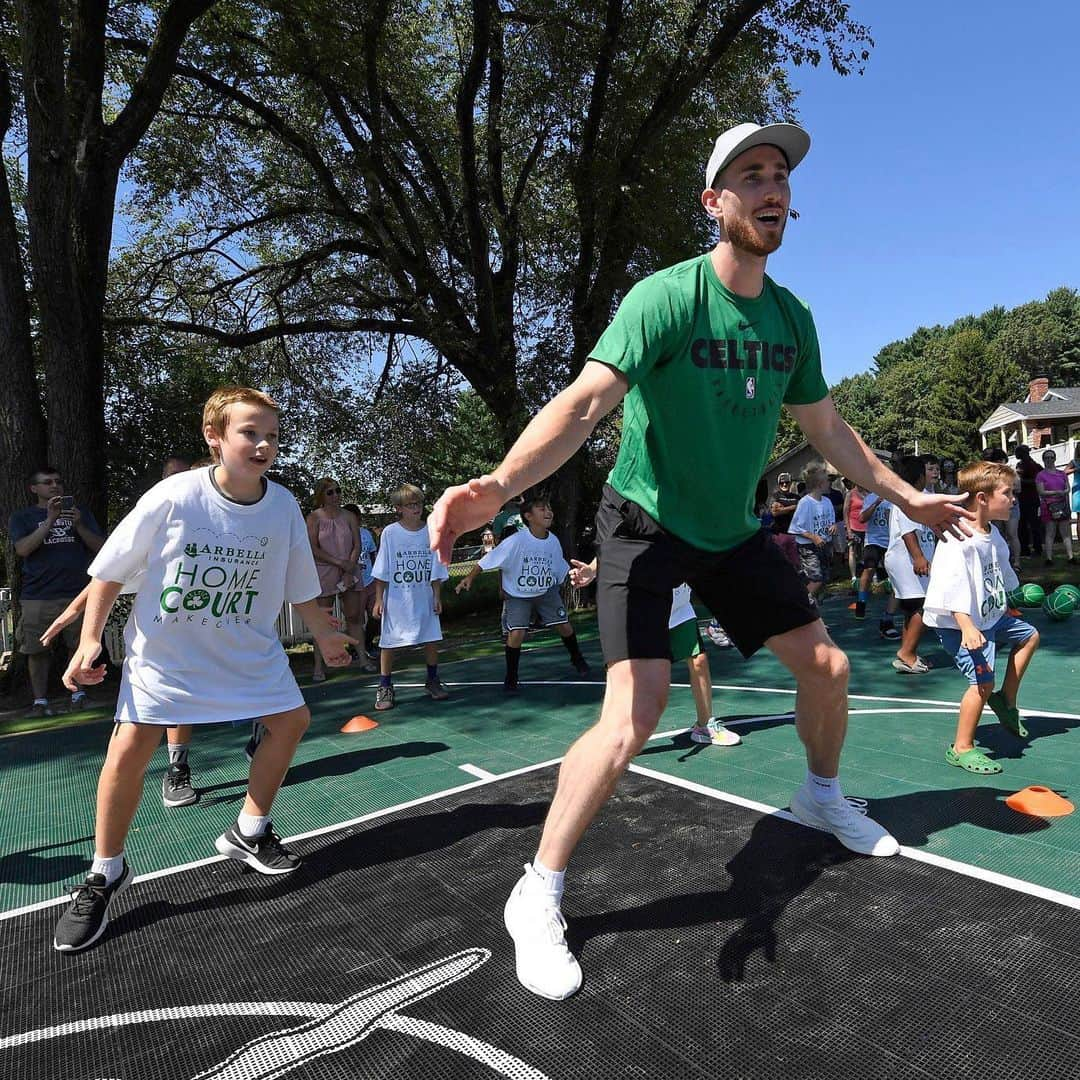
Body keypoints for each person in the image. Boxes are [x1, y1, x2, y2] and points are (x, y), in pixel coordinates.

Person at [429, 121, 970, 1000]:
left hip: (730, 530)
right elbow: (584, 404)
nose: (770, 188)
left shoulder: (792, 318)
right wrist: (496, 485)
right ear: (714, 202)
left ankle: (819, 798)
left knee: (826, 665)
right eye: (749, 175)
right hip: (643, 525)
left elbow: (827, 429)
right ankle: (538, 892)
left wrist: (906, 496)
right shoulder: (666, 297)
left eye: (779, 177)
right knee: (632, 716)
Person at [52, 387, 355, 953]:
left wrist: (324, 630)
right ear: (214, 437)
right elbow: (110, 572)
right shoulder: (173, 496)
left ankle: (249, 830)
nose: (264, 443)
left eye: (272, 434)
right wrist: (90, 638)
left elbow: (299, 585)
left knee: (291, 721)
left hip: (247, 650)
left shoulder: (284, 505)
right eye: (249, 432)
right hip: (167, 656)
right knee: (129, 749)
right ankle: (105, 872)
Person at [923, 461, 1039, 773]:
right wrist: (966, 626)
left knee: (1029, 636)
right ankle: (961, 747)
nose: (1013, 499)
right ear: (982, 498)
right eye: (1007, 493)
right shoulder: (958, 539)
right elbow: (949, 585)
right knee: (981, 682)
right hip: (962, 624)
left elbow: (1000, 573)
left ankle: (1005, 701)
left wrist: (1011, 602)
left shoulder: (992, 534)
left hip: (989, 616)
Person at [456, 495, 589, 692]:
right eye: (542, 509)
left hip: (545, 592)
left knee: (565, 626)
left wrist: (573, 578)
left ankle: (577, 658)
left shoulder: (553, 541)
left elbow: (558, 566)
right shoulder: (516, 541)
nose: (548, 512)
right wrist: (469, 578)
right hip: (518, 594)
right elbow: (489, 559)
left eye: (549, 508)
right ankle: (511, 676)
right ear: (528, 516)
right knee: (516, 633)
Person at [9, 465, 105, 718]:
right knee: (37, 650)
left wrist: (80, 526)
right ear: (34, 489)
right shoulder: (22, 517)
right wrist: (50, 520)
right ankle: (40, 702)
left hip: (79, 592)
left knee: (79, 645)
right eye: (47, 482)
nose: (54, 486)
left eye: (58, 482)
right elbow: (23, 549)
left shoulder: (80, 513)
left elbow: (102, 548)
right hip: (38, 595)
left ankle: (79, 694)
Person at [371, 484, 450, 711]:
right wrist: (378, 599)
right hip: (396, 599)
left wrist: (436, 596)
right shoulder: (390, 533)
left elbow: (436, 568)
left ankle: (432, 679)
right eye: (410, 505)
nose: (416, 508)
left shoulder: (431, 532)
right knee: (389, 642)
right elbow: (382, 569)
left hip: (423, 596)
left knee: (431, 637)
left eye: (418, 503)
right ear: (399, 508)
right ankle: (385, 685)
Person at [306, 479, 371, 679]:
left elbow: (357, 545)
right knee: (323, 620)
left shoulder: (349, 516)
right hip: (324, 571)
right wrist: (338, 562)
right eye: (330, 492)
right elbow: (313, 548)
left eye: (338, 491)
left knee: (354, 617)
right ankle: (319, 666)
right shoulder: (314, 518)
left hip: (349, 570)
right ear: (321, 496)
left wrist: (349, 566)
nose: (335, 496)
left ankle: (362, 658)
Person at [884, 456, 937, 674]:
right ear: (919, 477)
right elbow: (908, 531)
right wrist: (918, 557)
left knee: (912, 608)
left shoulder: (921, 497)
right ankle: (906, 653)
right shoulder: (908, 499)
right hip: (906, 560)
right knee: (923, 606)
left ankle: (908, 653)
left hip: (911, 559)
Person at [788, 461, 836, 608]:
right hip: (809, 547)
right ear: (820, 484)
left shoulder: (827, 502)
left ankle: (815, 616)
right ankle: (799, 605)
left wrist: (833, 526)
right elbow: (796, 527)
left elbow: (831, 520)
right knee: (816, 579)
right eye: (828, 481)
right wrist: (813, 537)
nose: (830, 484)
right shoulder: (805, 503)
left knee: (823, 581)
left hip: (825, 545)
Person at [857, 489, 900, 637]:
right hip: (874, 540)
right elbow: (862, 518)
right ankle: (861, 601)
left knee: (897, 577)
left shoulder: (896, 497)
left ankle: (889, 616)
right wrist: (876, 503)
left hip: (891, 542)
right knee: (869, 569)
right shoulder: (871, 497)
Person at [982, 447, 1021, 570]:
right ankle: (1002, 561)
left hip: (1012, 506)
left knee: (1012, 533)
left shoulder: (1012, 473)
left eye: (1002, 460)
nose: (1000, 463)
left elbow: (1018, 488)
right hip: (995, 506)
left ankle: (1017, 562)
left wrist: (1006, 489)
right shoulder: (991, 475)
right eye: (997, 460)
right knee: (998, 533)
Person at [1035, 449, 1074, 565]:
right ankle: (1049, 558)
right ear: (1043, 460)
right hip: (1048, 506)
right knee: (1050, 532)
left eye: (1051, 457)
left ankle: (1071, 557)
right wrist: (1056, 492)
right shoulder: (1041, 475)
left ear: (1055, 459)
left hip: (1062, 504)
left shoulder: (1062, 474)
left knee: (1066, 532)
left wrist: (1065, 498)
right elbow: (1041, 491)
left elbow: (1067, 489)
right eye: (1047, 457)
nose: (1049, 460)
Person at [1013, 445, 1042, 557]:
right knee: (1022, 525)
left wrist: (1021, 481)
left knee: (1033, 524)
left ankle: (1037, 548)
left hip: (1030, 498)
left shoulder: (1031, 465)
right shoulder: (1022, 464)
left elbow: (1037, 480)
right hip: (1022, 498)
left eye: (1018, 452)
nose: (1016, 454)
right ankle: (1024, 548)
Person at [767, 472, 800, 567]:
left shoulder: (796, 497)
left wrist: (782, 508)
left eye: (787, 482)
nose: (784, 484)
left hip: (795, 534)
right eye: (782, 483)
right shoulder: (775, 496)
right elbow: (774, 512)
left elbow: (802, 511)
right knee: (781, 562)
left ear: (790, 483)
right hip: (779, 533)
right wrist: (793, 507)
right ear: (778, 484)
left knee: (796, 562)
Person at [843, 480, 867, 591]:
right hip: (853, 526)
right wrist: (848, 530)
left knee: (865, 551)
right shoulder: (850, 494)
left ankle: (869, 574)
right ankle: (853, 576)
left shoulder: (868, 493)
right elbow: (845, 512)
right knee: (852, 550)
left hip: (866, 527)